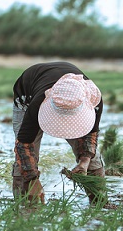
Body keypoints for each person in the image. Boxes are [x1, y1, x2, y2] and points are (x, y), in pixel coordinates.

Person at [12, 61, 104, 203]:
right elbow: (24, 145)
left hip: (70, 95)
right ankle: (25, 205)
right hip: (28, 96)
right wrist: (32, 180)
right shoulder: (37, 104)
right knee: (25, 160)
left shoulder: (93, 99)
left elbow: (90, 136)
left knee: (92, 158)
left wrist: (84, 162)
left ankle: (99, 202)